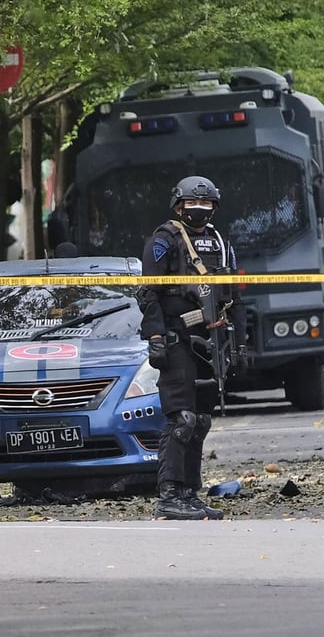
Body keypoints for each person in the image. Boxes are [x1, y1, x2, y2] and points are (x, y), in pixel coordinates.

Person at [138, 176, 247, 520]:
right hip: (177, 338)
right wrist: (156, 337)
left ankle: (189, 494)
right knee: (181, 419)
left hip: (212, 340)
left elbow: (236, 296)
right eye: (192, 203)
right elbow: (149, 293)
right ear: (178, 206)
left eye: (206, 203)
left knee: (200, 420)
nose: (199, 209)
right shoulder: (165, 239)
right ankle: (169, 496)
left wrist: (240, 344)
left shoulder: (220, 242)